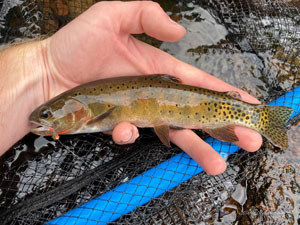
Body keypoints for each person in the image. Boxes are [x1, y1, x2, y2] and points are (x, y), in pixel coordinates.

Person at [0, 1, 262, 175]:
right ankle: (256, 117)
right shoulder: (82, 101)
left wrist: (43, 67)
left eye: (47, 114)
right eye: (47, 115)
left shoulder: (83, 104)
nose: (43, 119)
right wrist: (44, 65)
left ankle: (258, 117)